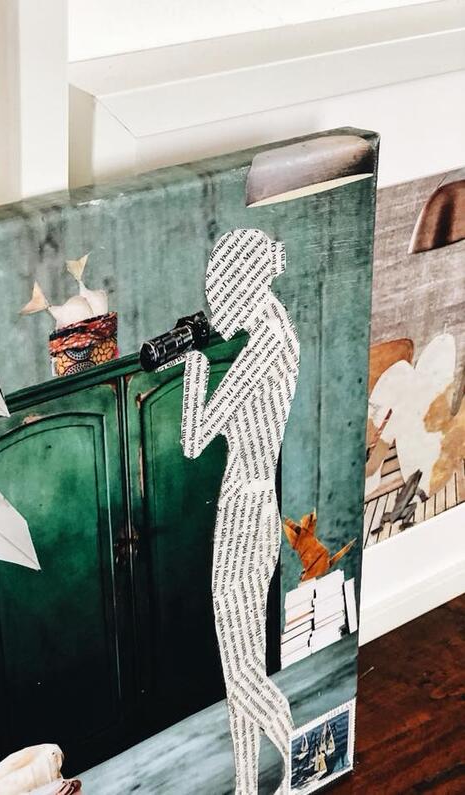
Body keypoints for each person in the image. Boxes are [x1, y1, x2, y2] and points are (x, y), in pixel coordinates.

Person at [181, 228, 300, 794]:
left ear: (241, 286)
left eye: (219, 293)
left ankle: (303, 760)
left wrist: (194, 368)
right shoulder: (278, 331)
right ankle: (248, 788)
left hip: (242, 514)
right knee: (241, 670)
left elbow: (195, 438)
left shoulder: (265, 344)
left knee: (243, 675)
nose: (215, 307)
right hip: (256, 507)